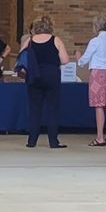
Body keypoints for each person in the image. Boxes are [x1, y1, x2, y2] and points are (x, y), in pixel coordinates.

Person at [22, 16, 70, 148]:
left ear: (35, 28)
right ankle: (53, 142)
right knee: (52, 109)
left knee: (34, 109)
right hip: (51, 75)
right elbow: (65, 60)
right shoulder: (56, 40)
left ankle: (32, 141)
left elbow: (22, 58)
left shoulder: (30, 41)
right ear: (50, 27)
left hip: (34, 76)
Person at [75, 16, 106, 146]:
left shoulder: (95, 41)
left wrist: (79, 58)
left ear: (96, 27)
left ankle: (100, 137)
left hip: (97, 73)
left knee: (99, 105)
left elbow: (84, 60)